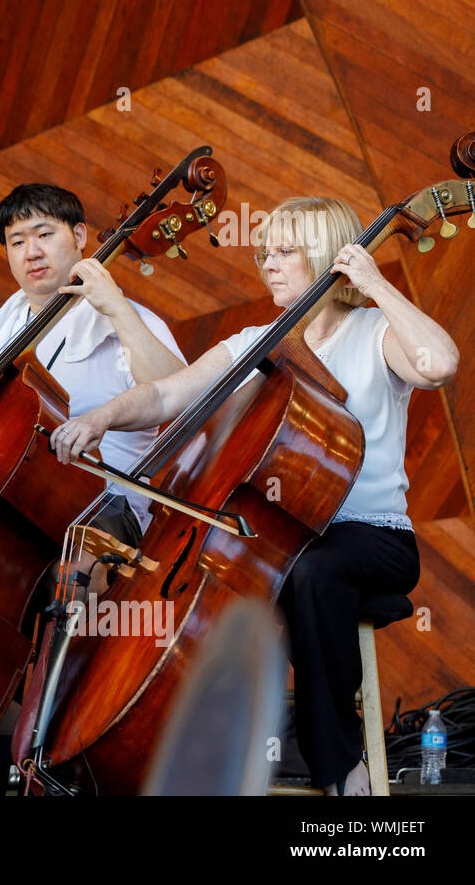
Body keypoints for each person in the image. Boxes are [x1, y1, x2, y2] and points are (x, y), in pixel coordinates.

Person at [50, 196, 458, 795]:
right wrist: (103, 417)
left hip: (370, 534)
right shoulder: (256, 342)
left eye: (284, 251)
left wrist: (375, 285)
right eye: (263, 251)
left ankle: (341, 767)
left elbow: (440, 363)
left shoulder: (376, 334)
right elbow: (166, 397)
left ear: (328, 256)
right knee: (233, 582)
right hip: (278, 535)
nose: (267, 263)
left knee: (313, 573)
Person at [0, 183, 185, 567]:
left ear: (79, 236)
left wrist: (116, 308)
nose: (32, 252)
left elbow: (180, 395)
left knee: (78, 563)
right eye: (17, 242)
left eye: (45, 234)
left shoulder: (133, 322)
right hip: (8, 498)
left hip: (103, 506)